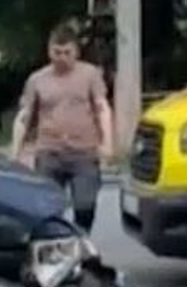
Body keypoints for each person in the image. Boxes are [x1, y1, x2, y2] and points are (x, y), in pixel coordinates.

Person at [10, 23, 114, 231]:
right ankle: (55, 246)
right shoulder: (37, 80)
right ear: (49, 51)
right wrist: (16, 152)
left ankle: (80, 242)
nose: (62, 58)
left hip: (83, 152)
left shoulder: (89, 74)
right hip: (49, 152)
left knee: (85, 206)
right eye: (57, 52)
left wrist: (107, 143)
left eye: (67, 52)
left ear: (76, 51)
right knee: (47, 209)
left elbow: (102, 107)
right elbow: (25, 116)